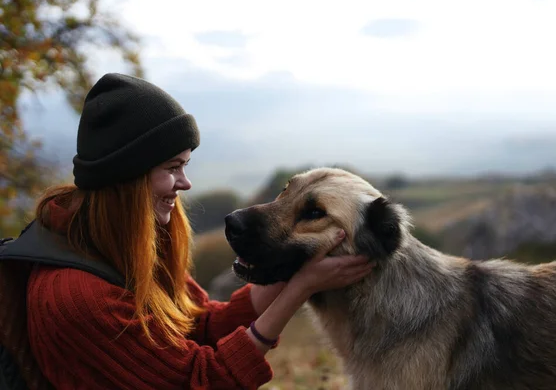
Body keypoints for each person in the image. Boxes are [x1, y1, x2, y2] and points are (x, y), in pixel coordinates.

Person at [23, 73, 375, 389]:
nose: (185, 182)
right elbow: (198, 379)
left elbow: (199, 326)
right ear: (127, 177)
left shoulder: (131, 240)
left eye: (186, 165)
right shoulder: (75, 297)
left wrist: (292, 266)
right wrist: (300, 289)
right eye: (172, 167)